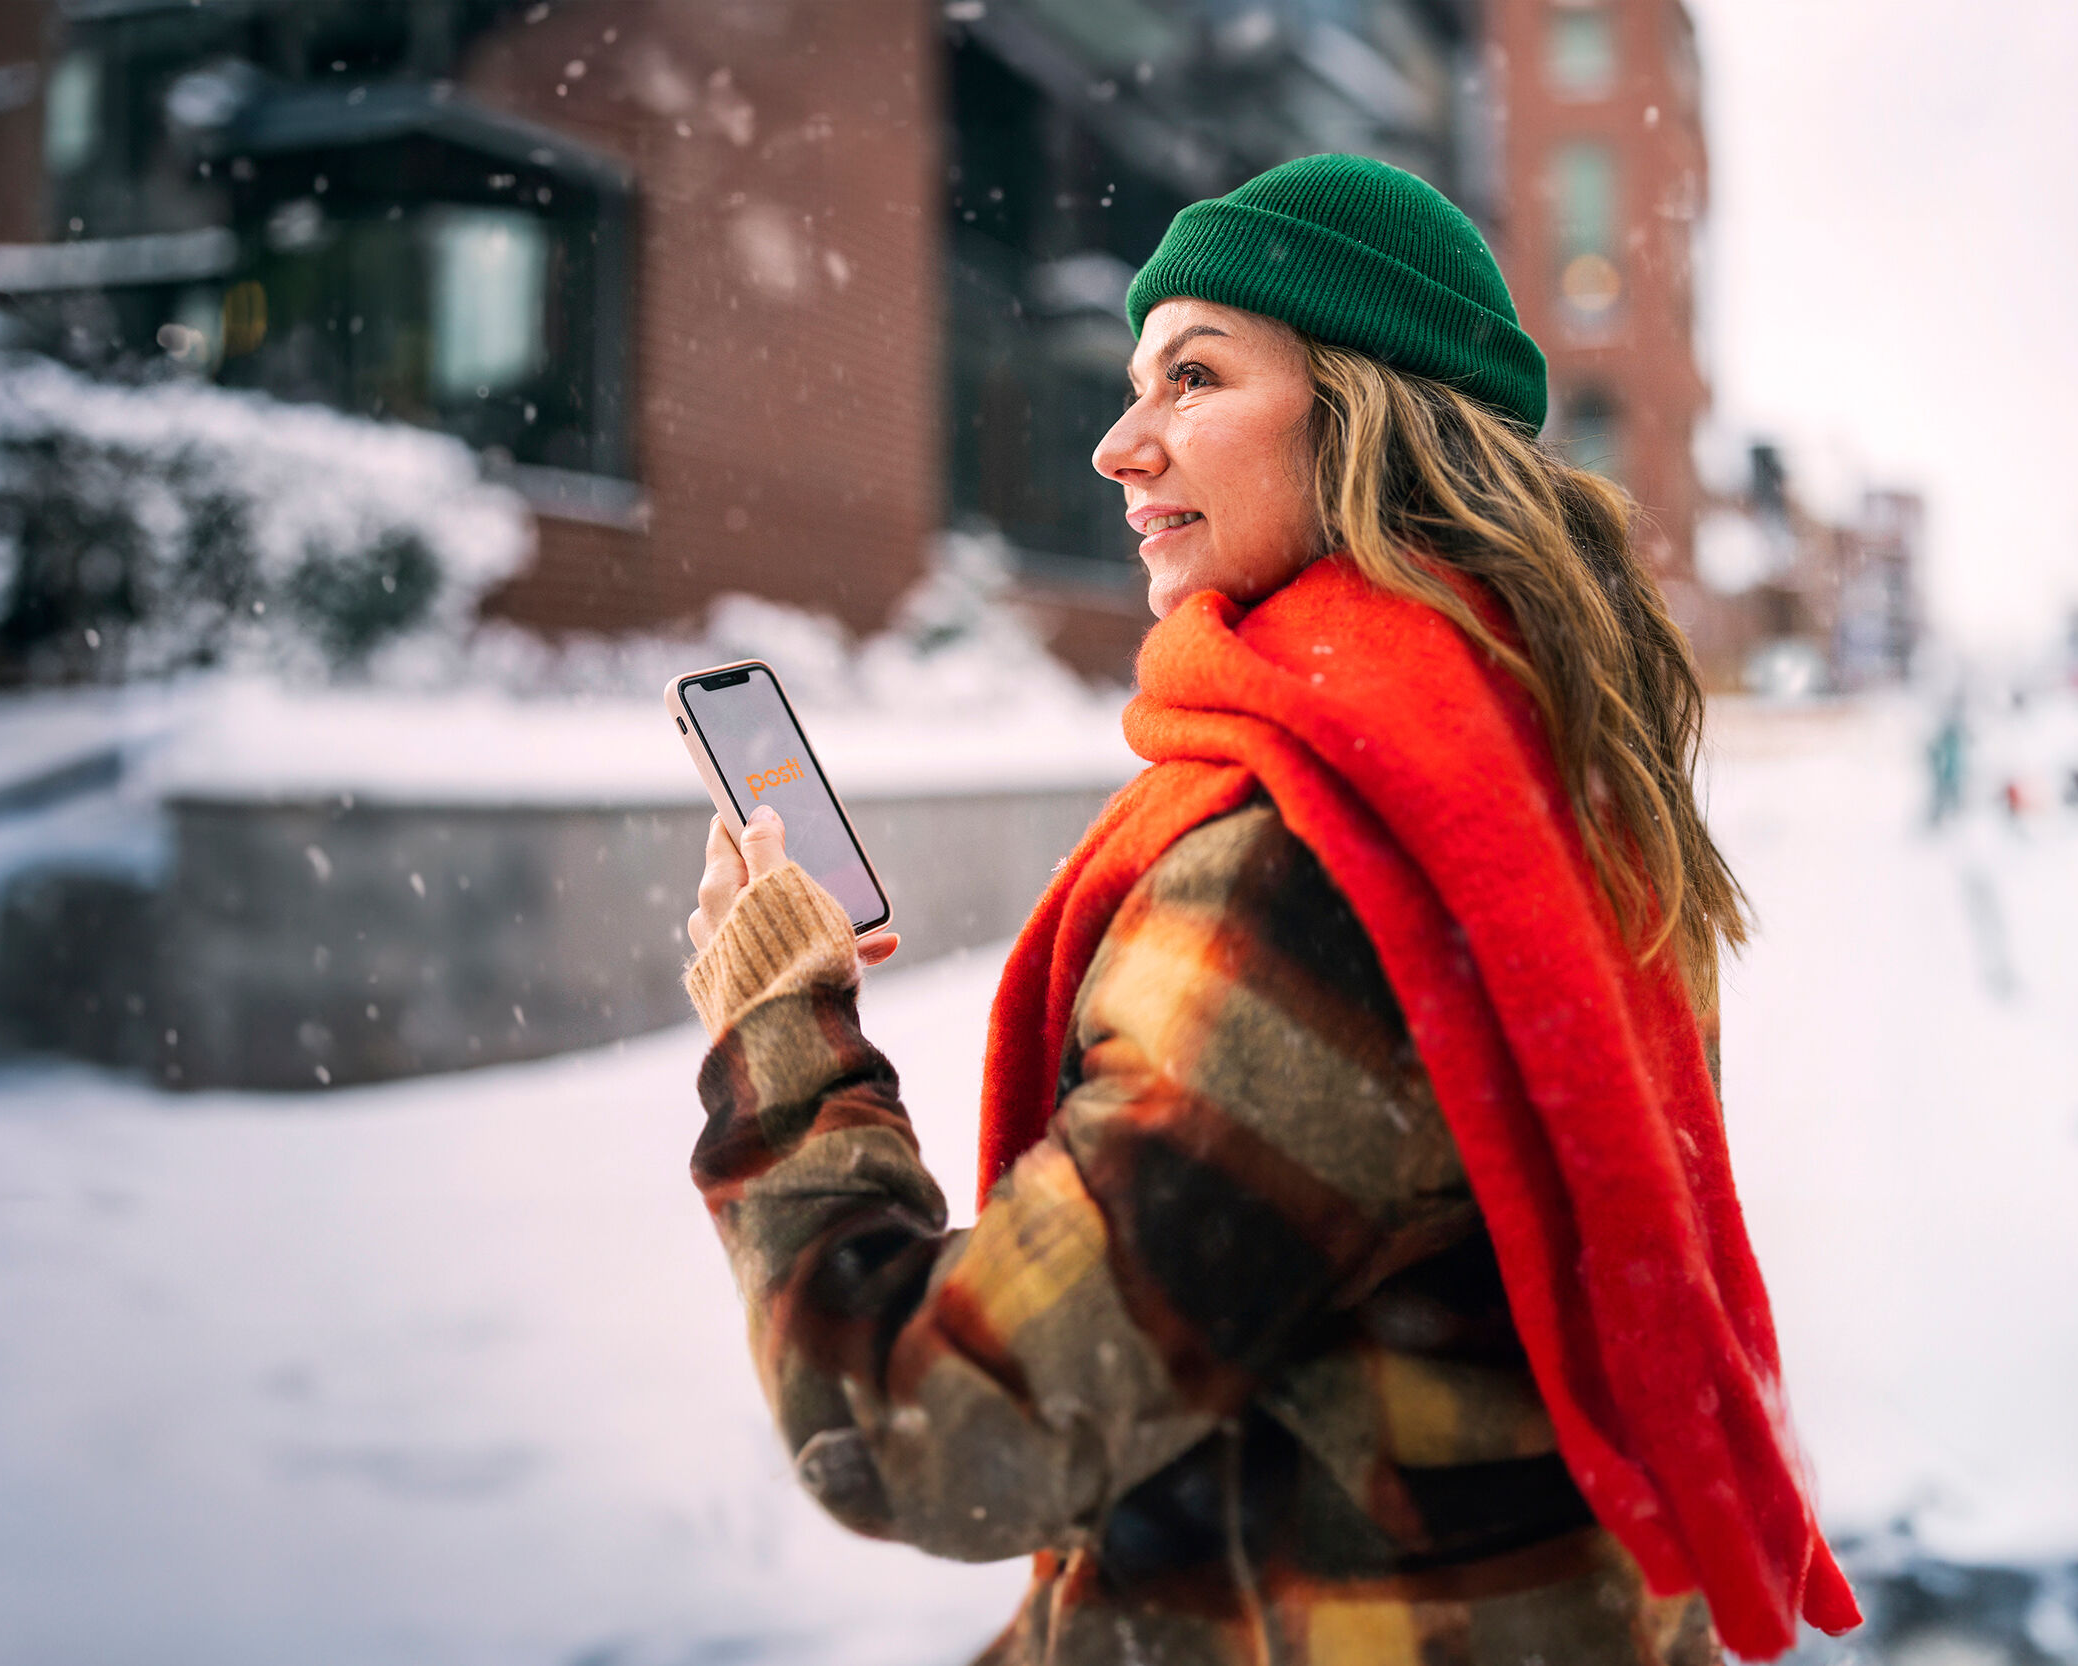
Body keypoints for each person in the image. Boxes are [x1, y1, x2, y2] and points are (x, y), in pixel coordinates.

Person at [680, 155, 1857, 1665]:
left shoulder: (1327, 859)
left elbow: (933, 1425)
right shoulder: (1527, 767)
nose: (1118, 444)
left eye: (1191, 375)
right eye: (1130, 383)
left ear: (1367, 412)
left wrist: (780, 1039)